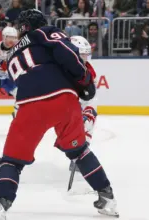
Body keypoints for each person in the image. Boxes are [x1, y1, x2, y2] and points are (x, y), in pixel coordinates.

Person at [0, 9, 118, 220]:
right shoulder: (44, 33)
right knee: (80, 151)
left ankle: (0, 206)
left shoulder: (14, 51)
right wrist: (85, 80)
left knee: (11, 161)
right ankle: (108, 199)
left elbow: (14, 81)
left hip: (29, 105)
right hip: (64, 100)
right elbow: (66, 51)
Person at [68, 35, 97, 172]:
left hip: (71, 107)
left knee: (89, 119)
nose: (85, 59)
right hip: (52, 107)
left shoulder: (89, 72)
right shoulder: (58, 70)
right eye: (82, 56)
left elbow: (91, 100)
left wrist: (87, 113)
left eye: (87, 55)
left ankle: (80, 155)